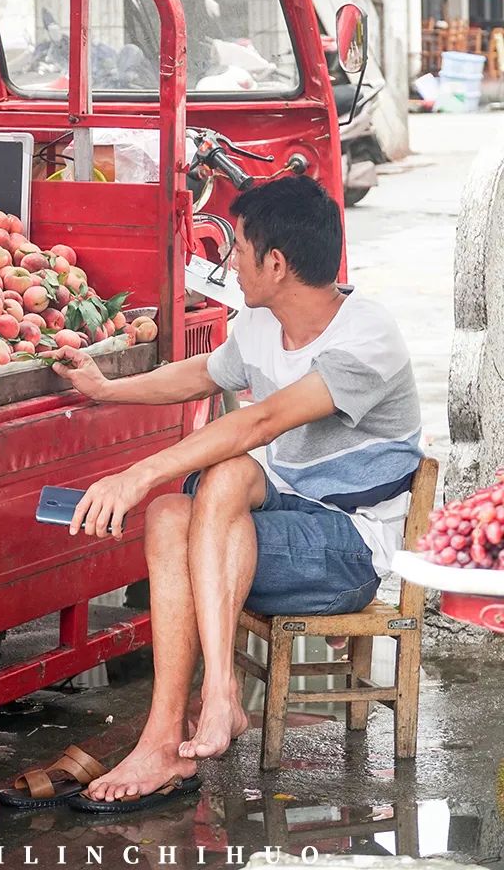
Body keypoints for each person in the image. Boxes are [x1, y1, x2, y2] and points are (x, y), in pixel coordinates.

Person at [40, 176, 420, 810]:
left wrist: (136, 474)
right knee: (174, 510)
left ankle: (213, 701)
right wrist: (107, 389)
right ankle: (171, 732)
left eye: (238, 247)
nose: (229, 260)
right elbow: (203, 374)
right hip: (279, 518)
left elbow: (260, 421)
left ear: (276, 263)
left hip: (347, 548)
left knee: (211, 476)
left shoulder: (366, 336)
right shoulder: (261, 324)